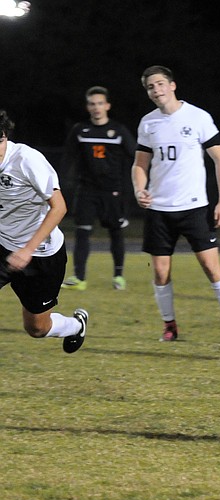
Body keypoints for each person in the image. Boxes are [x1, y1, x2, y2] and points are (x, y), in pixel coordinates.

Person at [131, 65, 220, 346]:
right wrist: (139, 188)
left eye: (160, 83)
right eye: (150, 87)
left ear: (172, 85)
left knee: (211, 267)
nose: (156, 89)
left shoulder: (198, 117)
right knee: (160, 272)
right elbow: (140, 163)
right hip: (159, 210)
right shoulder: (148, 123)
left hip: (194, 207)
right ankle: (170, 325)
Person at [0, 110, 89, 353]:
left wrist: (27, 250)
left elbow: (59, 207)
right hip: (2, 245)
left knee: (37, 328)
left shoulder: (27, 160)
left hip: (41, 254)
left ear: (3, 136)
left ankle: (75, 325)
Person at [61, 86, 136, 291]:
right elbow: (68, 158)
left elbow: (136, 157)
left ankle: (118, 276)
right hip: (86, 190)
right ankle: (79, 278)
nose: (96, 107)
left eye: (100, 103)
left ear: (107, 106)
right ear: (88, 107)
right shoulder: (80, 130)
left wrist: (134, 185)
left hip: (113, 191)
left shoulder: (119, 131)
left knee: (115, 233)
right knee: (82, 232)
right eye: (92, 104)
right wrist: (62, 182)